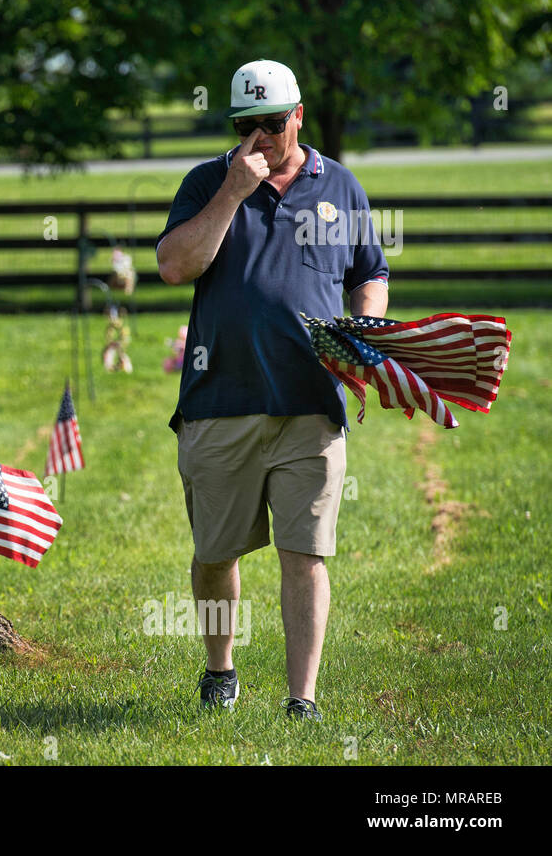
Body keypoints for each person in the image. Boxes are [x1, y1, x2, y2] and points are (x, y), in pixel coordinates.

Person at [156, 60, 389, 720]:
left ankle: (301, 699)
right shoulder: (208, 181)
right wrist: (232, 191)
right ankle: (219, 670)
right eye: (245, 125)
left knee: (305, 554)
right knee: (214, 553)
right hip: (218, 401)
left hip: (310, 403)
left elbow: (369, 270)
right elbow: (175, 266)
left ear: (299, 117)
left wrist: (366, 323)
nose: (261, 136)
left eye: (272, 123)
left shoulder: (338, 186)